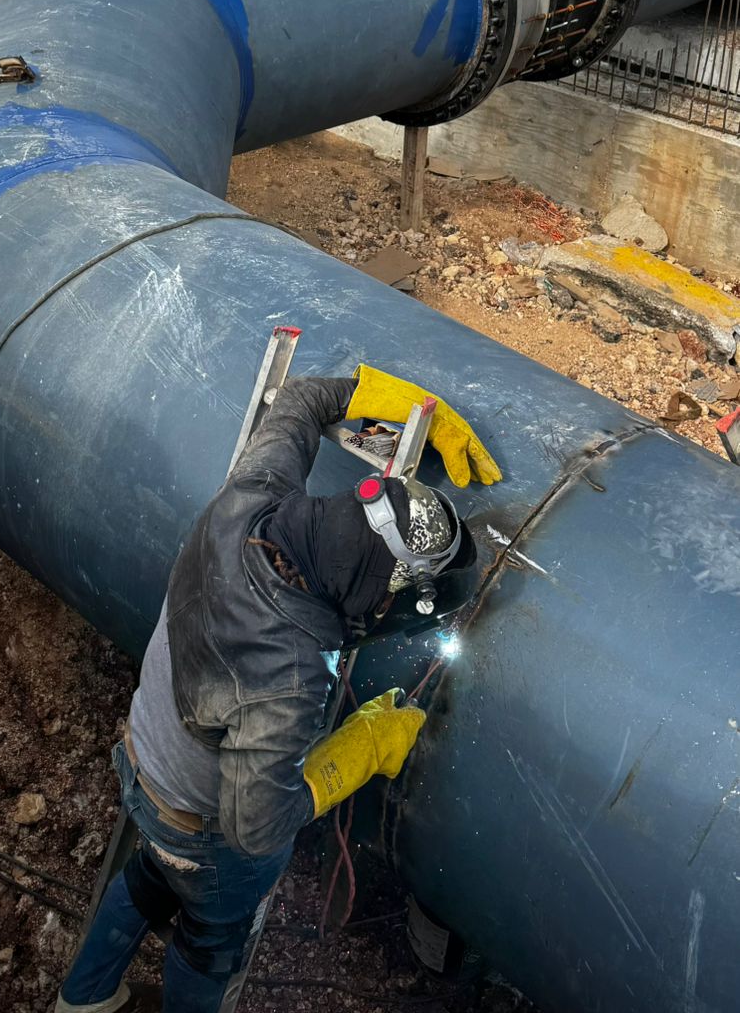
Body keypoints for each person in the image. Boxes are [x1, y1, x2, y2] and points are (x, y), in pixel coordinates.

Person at [55, 365, 497, 1013]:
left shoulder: (253, 495)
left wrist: (373, 393)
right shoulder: (289, 675)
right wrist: (357, 752)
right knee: (209, 944)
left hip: (143, 761)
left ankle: (82, 1000)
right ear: (378, 586)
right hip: (200, 828)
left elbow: (300, 399)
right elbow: (254, 831)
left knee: (152, 875)